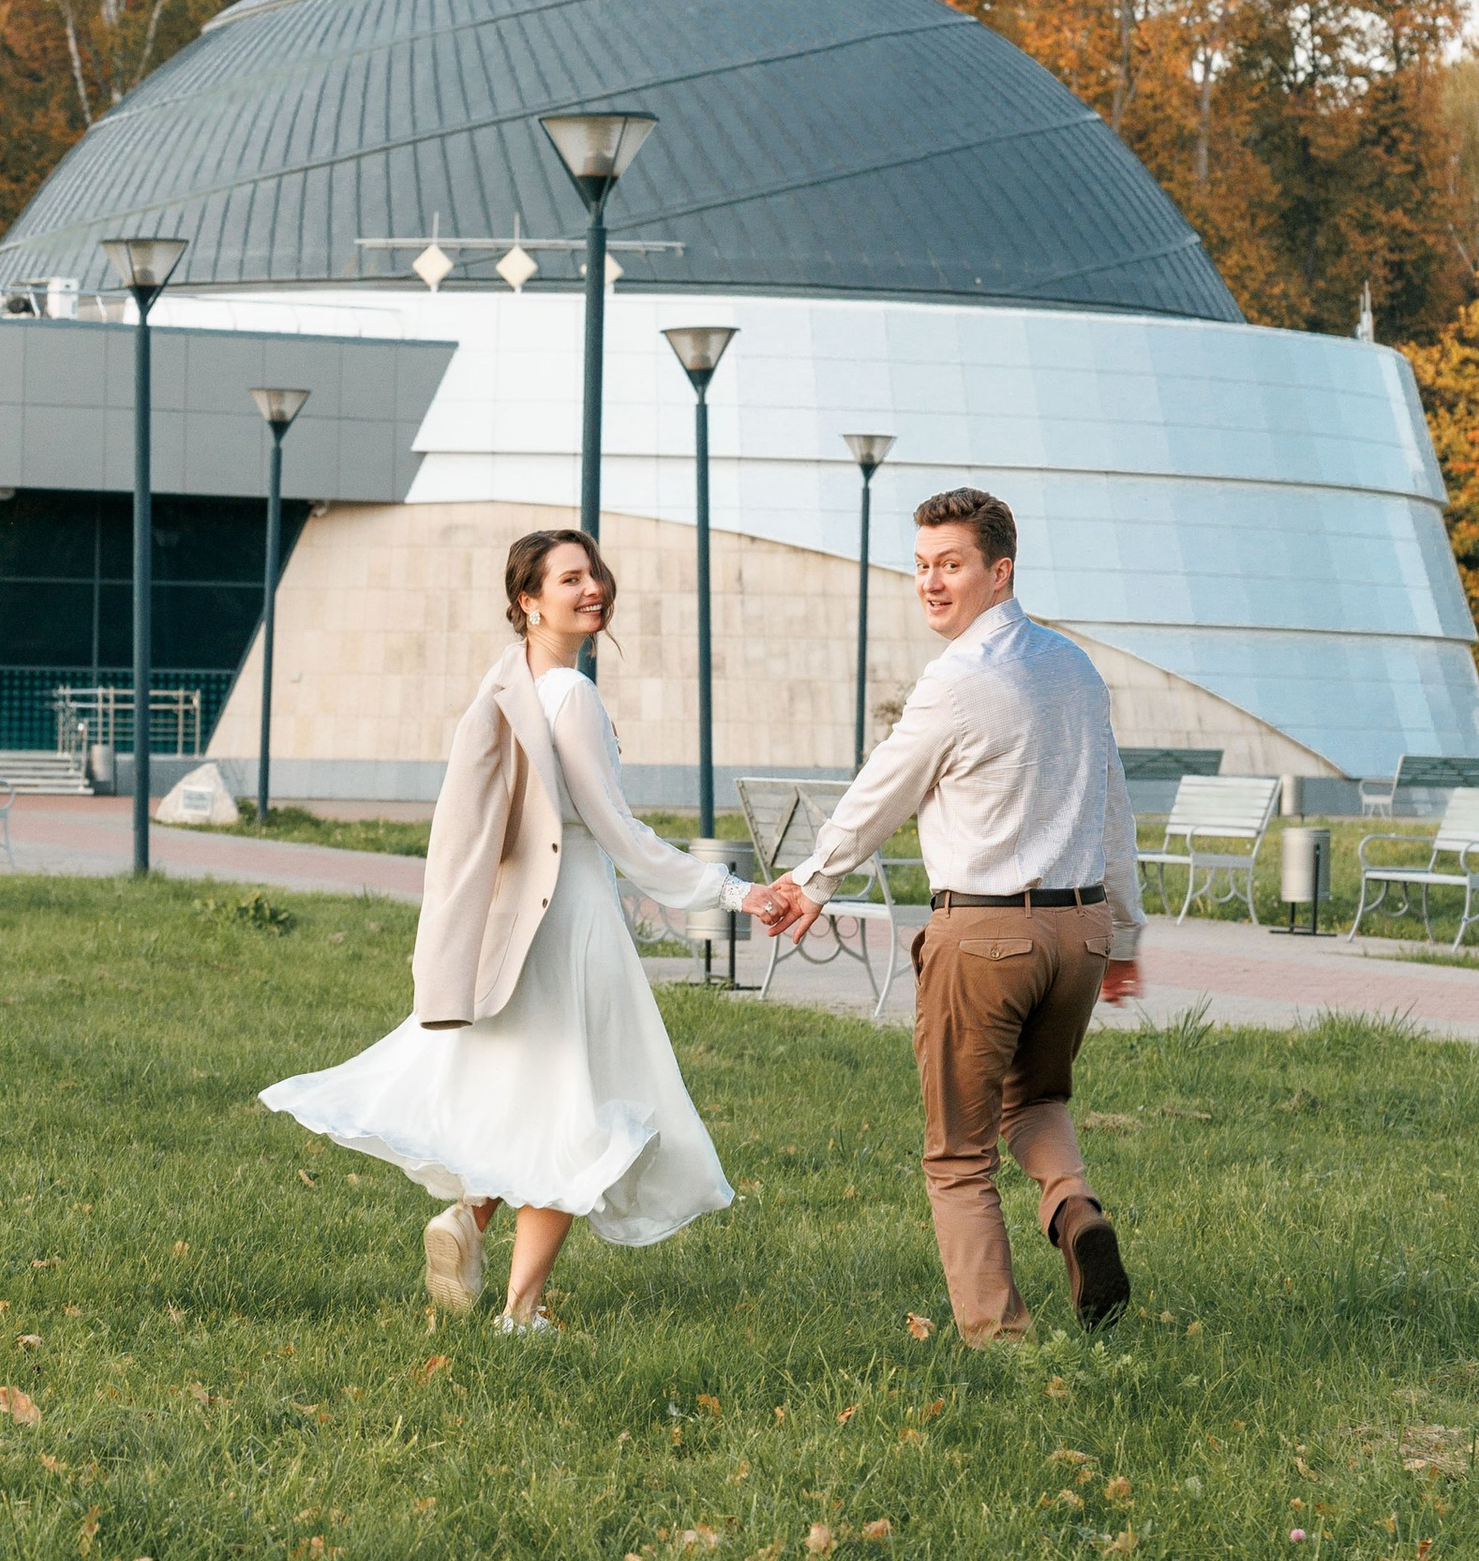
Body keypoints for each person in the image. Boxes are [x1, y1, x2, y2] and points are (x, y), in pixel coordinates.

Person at [260, 526, 739, 1331]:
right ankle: (520, 1310)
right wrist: (724, 888)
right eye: (569, 580)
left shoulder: (507, 686)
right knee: (578, 1107)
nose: (593, 589)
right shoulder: (572, 695)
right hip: (576, 912)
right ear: (528, 601)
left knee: (526, 1087)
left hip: (522, 916)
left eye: (594, 575)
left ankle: (469, 1218)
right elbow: (615, 830)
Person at [745, 483, 1140, 1344]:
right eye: (920, 565)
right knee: (1035, 1099)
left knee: (958, 1155)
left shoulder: (959, 680)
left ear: (999, 573)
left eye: (950, 565)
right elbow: (1112, 804)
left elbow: (880, 792)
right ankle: (1075, 1212)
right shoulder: (1073, 667)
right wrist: (1126, 934)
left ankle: (1000, 1342)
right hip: (1078, 932)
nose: (929, 582)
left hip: (985, 935)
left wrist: (812, 883)